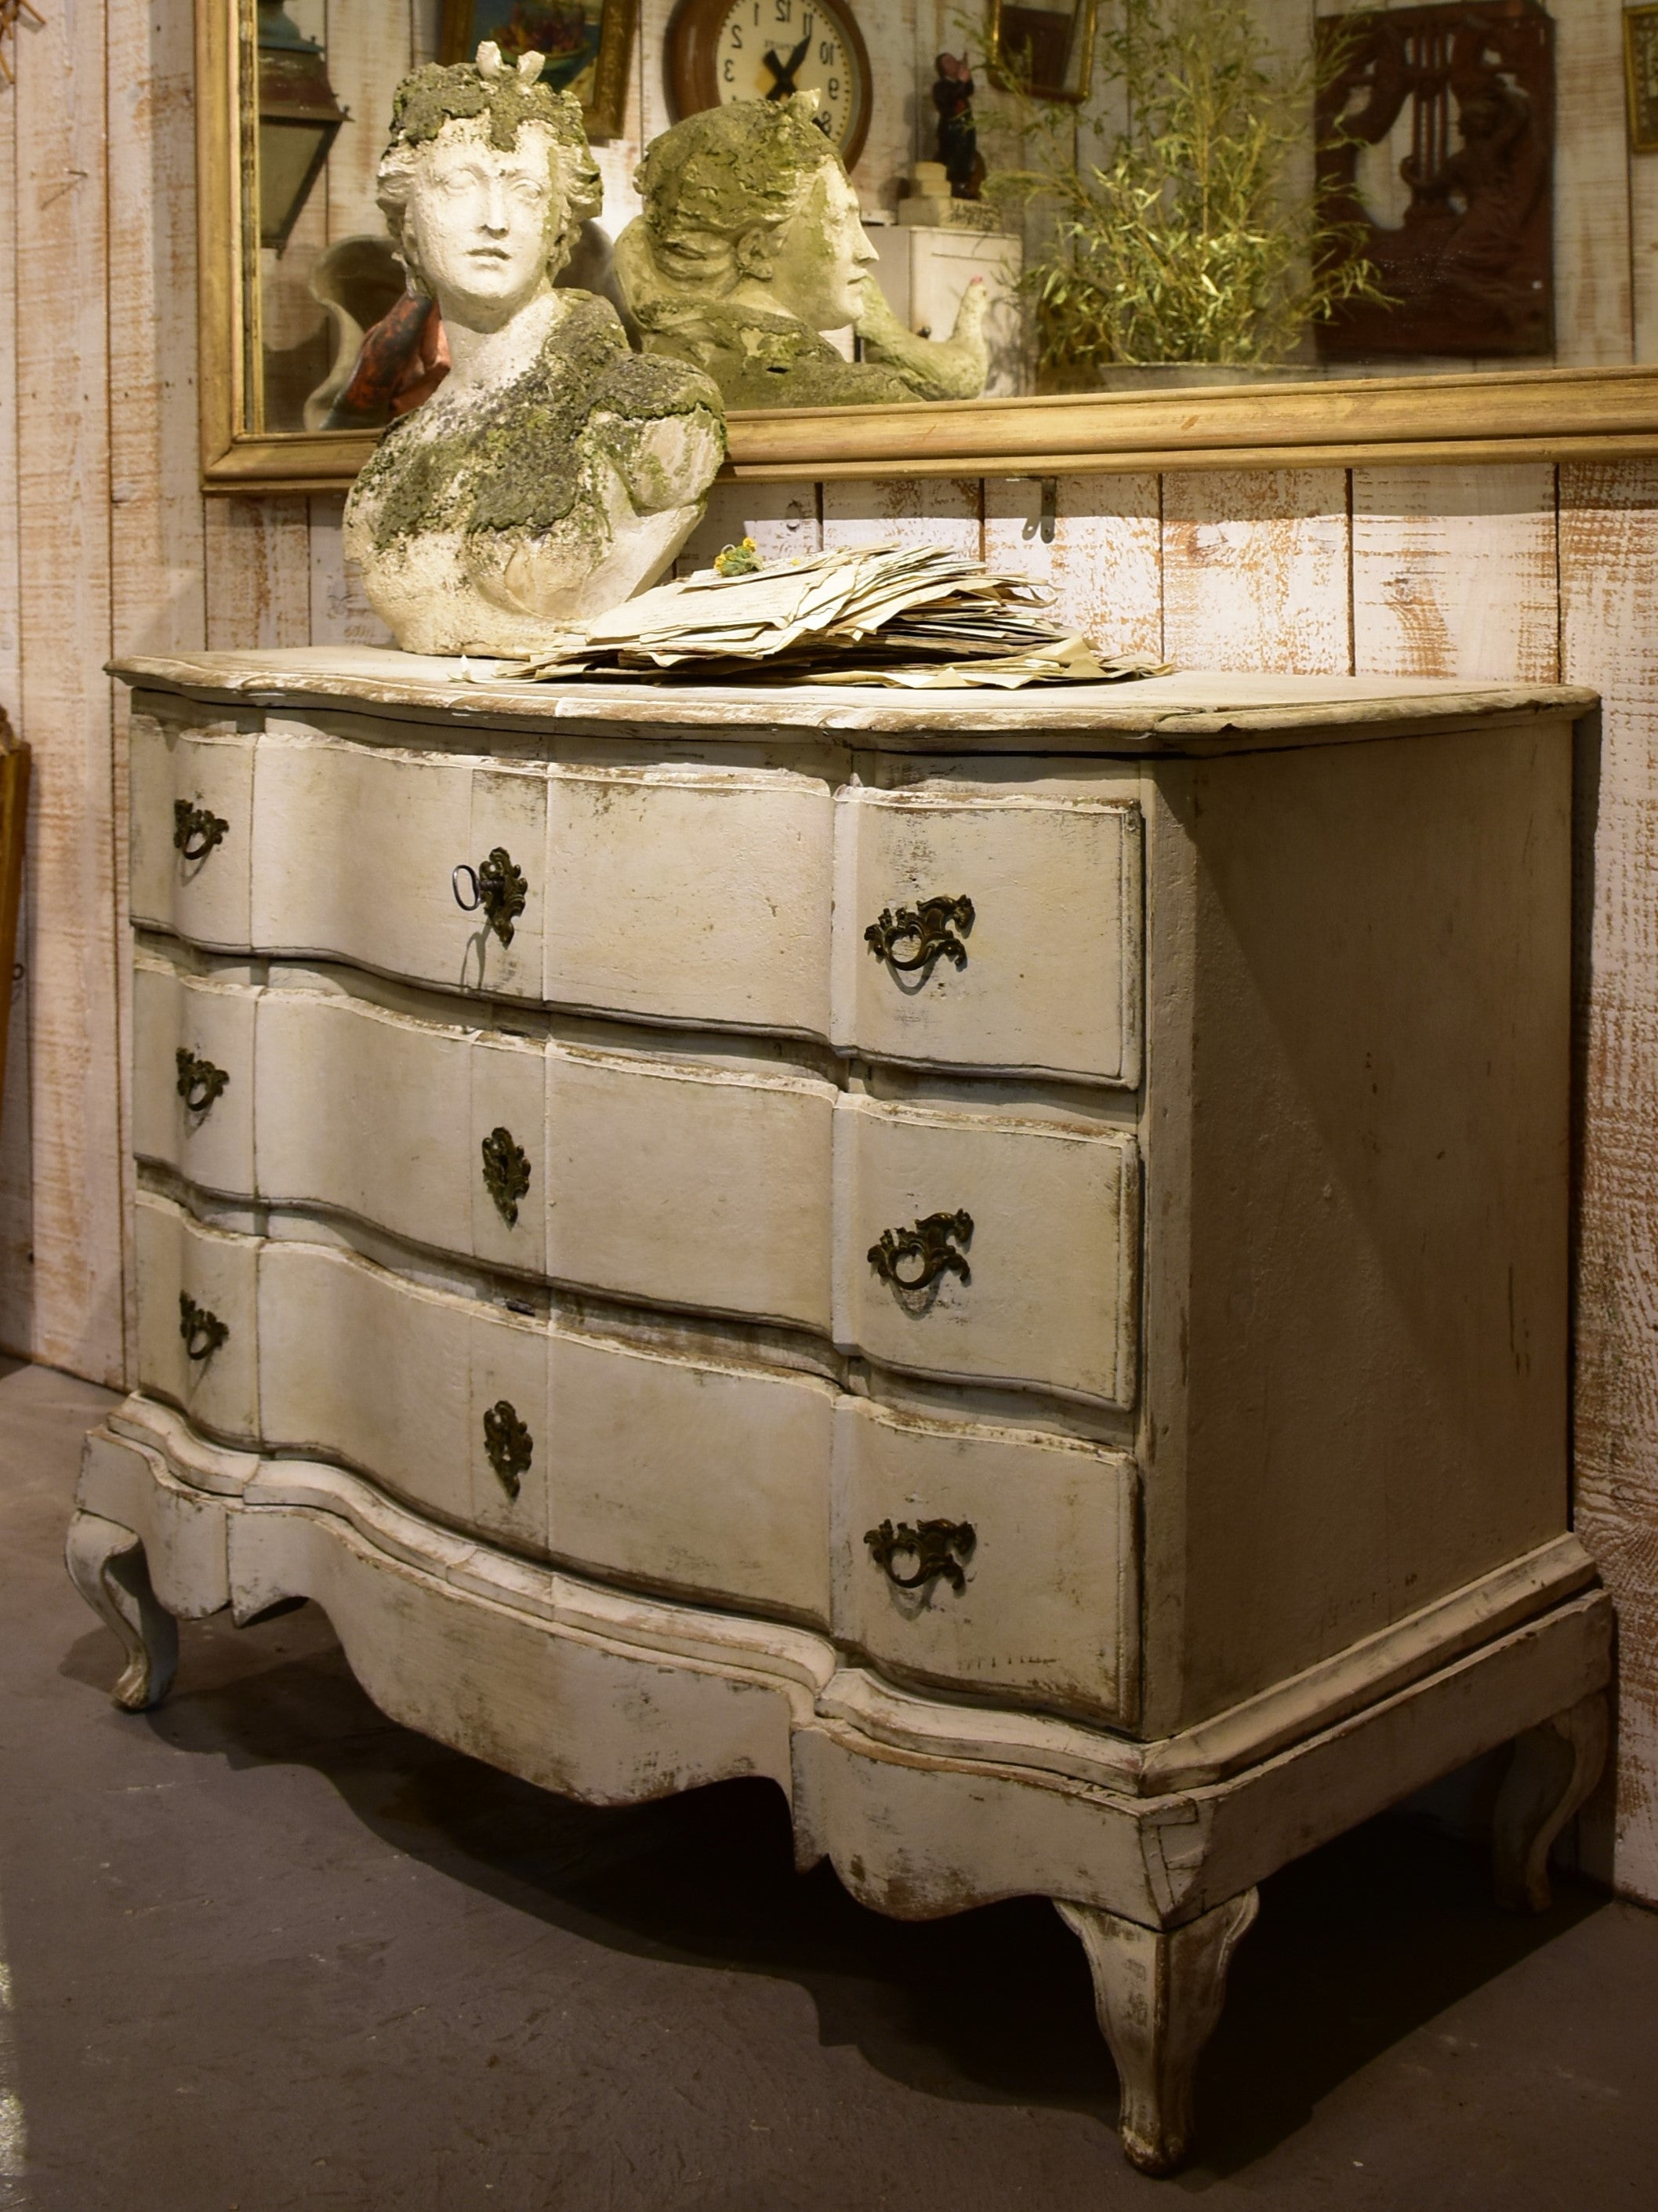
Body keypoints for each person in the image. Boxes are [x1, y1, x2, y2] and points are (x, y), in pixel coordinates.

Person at [343, 42, 725, 656]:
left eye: (524, 190)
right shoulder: (395, 459)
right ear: (409, 216)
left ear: (558, 223)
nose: (493, 219)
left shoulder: (647, 413)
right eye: (460, 184)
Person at [614, 95, 989, 410]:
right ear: (756, 252)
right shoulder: (864, 401)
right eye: (841, 223)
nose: (868, 251)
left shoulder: (656, 385)